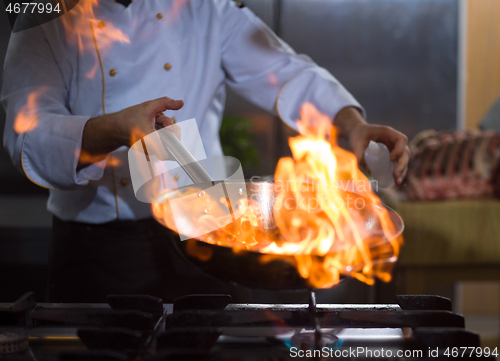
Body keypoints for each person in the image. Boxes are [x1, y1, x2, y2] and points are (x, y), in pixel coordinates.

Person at [2, 0, 410, 302]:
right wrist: (110, 130)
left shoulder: (204, 8)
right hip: (98, 251)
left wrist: (353, 126)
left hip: (207, 238)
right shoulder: (46, 16)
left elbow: (288, 71)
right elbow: (28, 133)